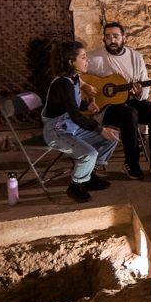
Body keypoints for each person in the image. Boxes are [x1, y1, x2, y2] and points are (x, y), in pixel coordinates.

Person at [86, 21, 151, 180]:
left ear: (124, 38)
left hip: (131, 101)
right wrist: (87, 91)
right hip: (106, 107)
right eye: (108, 36)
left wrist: (139, 93)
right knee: (129, 114)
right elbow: (78, 75)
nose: (112, 40)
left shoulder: (135, 57)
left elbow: (144, 89)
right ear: (104, 39)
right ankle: (131, 163)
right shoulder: (94, 58)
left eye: (116, 36)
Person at [41, 39, 119, 203]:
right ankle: (75, 186)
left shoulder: (74, 78)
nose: (87, 60)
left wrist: (87, 105)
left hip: (71, 127)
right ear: (71, 62)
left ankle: (89, 175)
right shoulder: (63, 83)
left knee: (112, 137)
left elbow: (72, 103)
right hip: (57, 132)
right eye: (83, 57)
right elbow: (75, 114)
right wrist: (99, 129)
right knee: (89, 153)